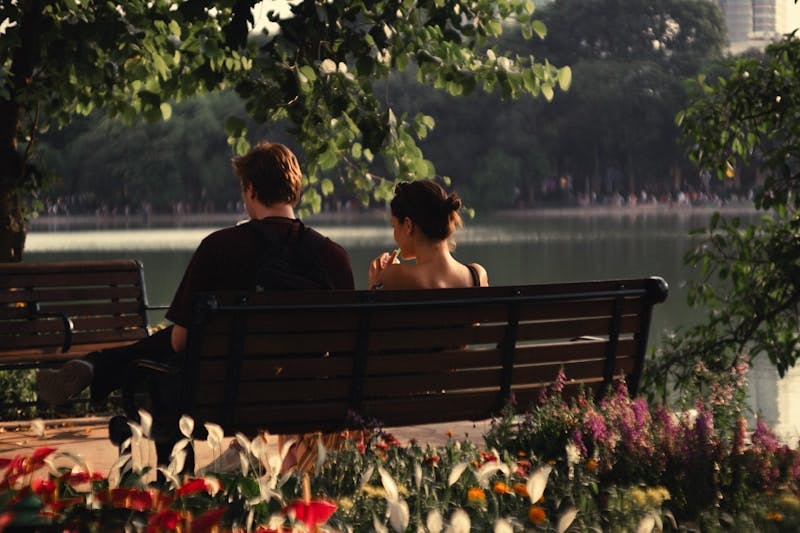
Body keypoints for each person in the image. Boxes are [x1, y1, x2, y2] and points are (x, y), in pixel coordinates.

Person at [36, 141, 355, 409]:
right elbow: (345, 342)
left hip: (223, 395)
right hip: (311, 395)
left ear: (250, 189)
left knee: (174, 339)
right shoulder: (334, 256)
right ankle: (96, 364)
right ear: (295, 189)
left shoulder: (220, 247)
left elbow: (179, 341)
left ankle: (97, 365)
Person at [369, 180, 488, 290]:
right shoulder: (477, 275)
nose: (394, 235)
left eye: (394, 226)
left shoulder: (394, 276)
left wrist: (376, 282)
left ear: (408, 226)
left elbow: (369, 312)